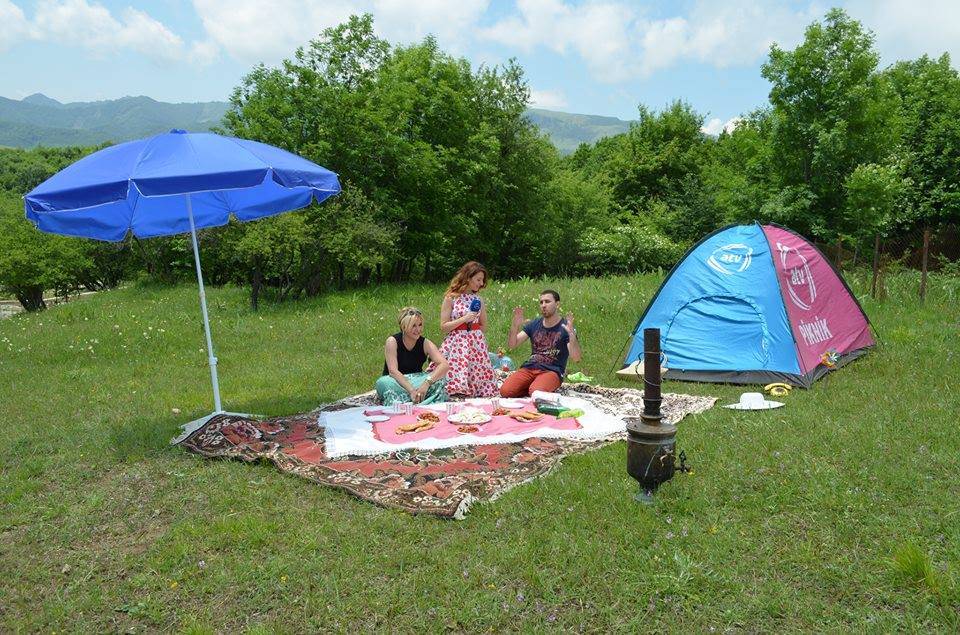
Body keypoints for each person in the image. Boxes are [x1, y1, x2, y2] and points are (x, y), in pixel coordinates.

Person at [500, 289, 582, 397]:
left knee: (536, 392)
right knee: (505, 391)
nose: (543, 305)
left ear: (557, 304)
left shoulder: (565, 327)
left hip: (552, 371)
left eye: (547, 301)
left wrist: (572, 336)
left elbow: (576, 358)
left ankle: (535, 387)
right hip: (530, 367)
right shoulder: (534, 324)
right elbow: (512, 345)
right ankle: (531, 387)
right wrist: (515, 326)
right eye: (541, 302)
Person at [436, 261, 498, 397]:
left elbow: (483, 326)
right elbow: (444, 327)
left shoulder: (478, 299)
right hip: (456, 344)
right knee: (454, 374)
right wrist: (464, 319)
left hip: (476, 344)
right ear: (468, 278)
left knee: (479, 378)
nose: (481, 283)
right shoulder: (451, 298)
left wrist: (476, 337)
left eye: (482, 280)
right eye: (478, 279)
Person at [375, 307, 449, 406]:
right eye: (413, 326)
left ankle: (415, 402)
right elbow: (393, 372)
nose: (418, 329)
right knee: (383, 382)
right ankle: (418, 400)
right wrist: (411, 390)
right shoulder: (392, 341)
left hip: (417, 380)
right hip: (395, 381)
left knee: (441, 379)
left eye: (420, 325)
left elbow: (444, 365)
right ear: (404, 327)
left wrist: (426, 383)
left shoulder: (425, 343)